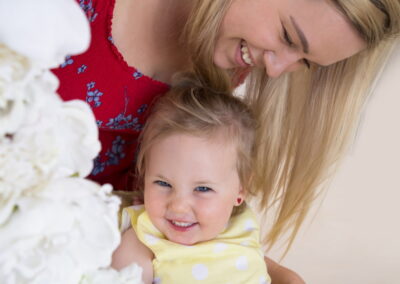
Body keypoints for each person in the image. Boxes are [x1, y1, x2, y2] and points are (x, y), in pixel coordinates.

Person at [52, 0, 400, 282]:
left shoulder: (227, 59)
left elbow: (171, 203)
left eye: (305, 62)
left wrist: (258, 268)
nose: (277, 69)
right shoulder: (59, 14)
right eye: (288, 36)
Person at [112, 77, 271, 284]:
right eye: (163, 183)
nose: (178, 206)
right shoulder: (142, 240)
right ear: (144, 176)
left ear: (241, 190)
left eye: (203, 188)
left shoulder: (241, 224)